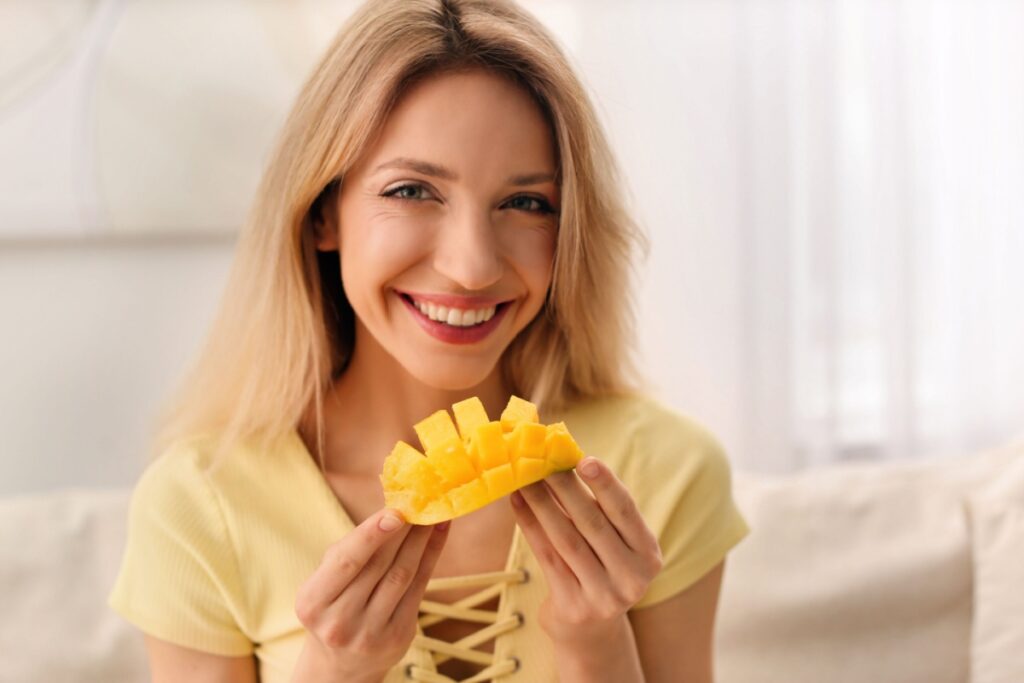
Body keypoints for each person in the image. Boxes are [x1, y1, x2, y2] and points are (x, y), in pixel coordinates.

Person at [108, 1, 750, 681]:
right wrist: (334, 670)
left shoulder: (666, 474)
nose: (472, 265)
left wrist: (593, 642)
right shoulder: (200, 507)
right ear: (323, 211)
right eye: (413, 190)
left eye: (527, 202)